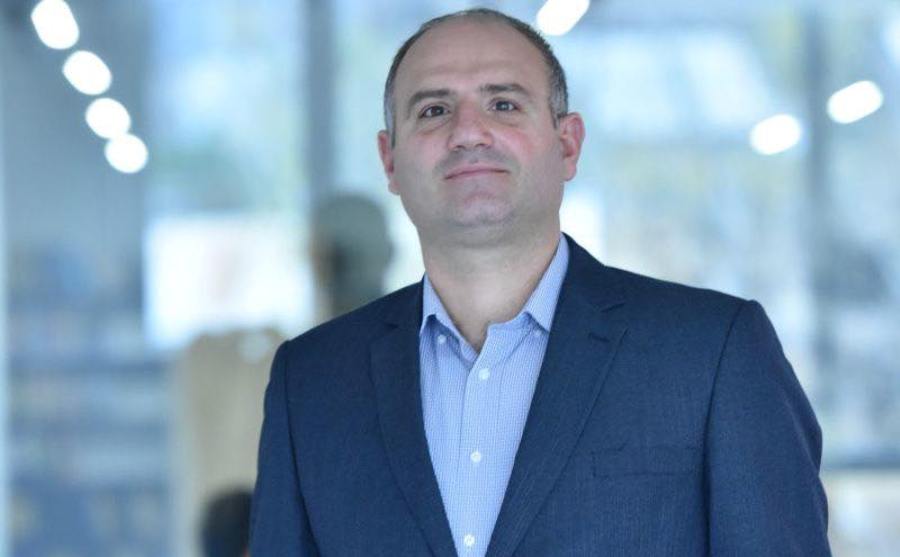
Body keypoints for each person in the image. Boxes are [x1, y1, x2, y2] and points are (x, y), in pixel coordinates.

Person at [251, 8, 831, 556]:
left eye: (503, 104)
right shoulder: (312, 382)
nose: (468, 132)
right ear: (389, 160)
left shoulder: (711, 354)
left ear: (568, 144)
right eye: (433, 110)